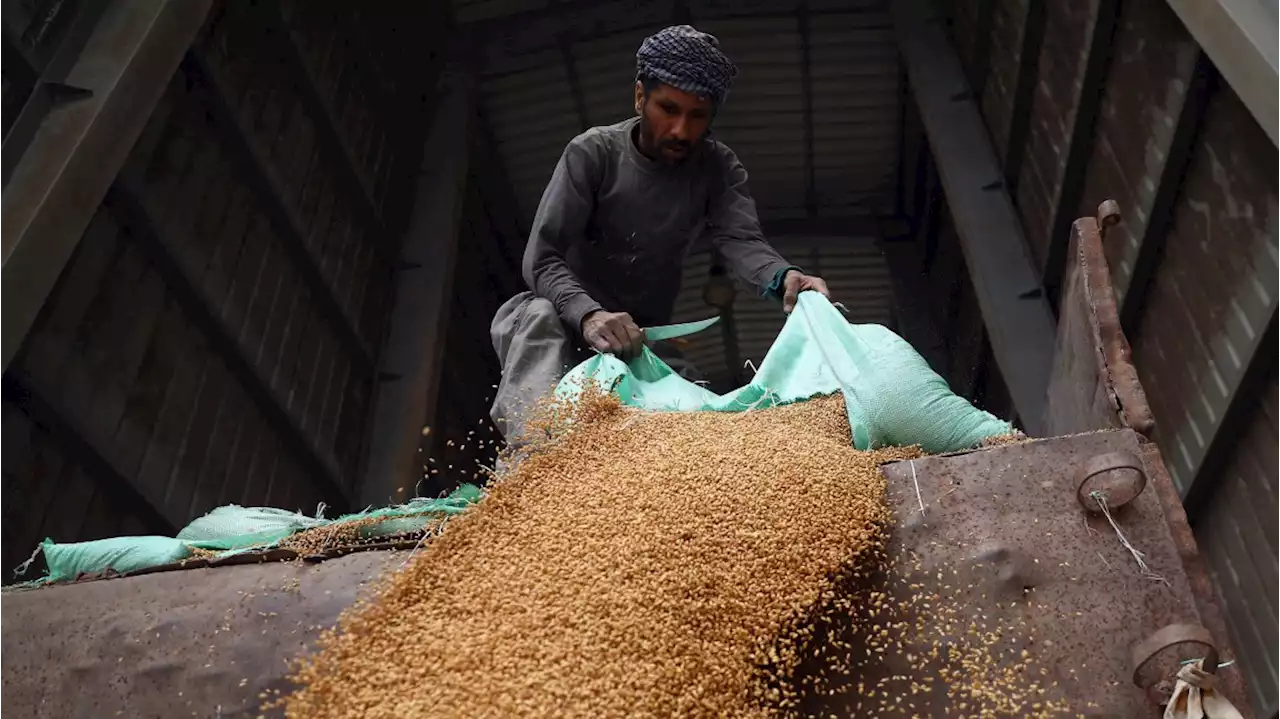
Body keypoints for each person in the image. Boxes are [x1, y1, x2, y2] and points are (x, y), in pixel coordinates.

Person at [489, 24, 830, 444]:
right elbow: (541, 257)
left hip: (640, 338)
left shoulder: (717, 168)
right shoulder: (592, 153)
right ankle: (532, 461)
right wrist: (590, 315)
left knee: (697, 420)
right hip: (564, 319)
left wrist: (783, 277)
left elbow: (741, 241)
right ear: (639, 97)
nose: (681, 131)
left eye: (697, 116)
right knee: (536, 316)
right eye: (668, 109)